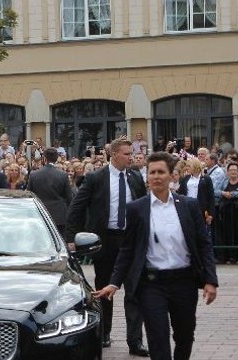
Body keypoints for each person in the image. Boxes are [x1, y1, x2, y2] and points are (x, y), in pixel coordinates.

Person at [93, 151, 218, 360]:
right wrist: (114, 282)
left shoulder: (188, 206)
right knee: (157, 337)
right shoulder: (136, 209)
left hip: (184, 281)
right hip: (151, 284)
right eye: (152, 173)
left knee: (185, 335)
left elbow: (204, 245)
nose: (156, 177)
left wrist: (210, 280)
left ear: (171, 176)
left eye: (161, 172)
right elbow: (127, 250)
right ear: (147, 177)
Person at [66, 138, 149, 355]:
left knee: (134, 289)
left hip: (130, 240)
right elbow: (77, 206)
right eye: (126, 154)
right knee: (105, 288)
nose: (130, 157)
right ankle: (104, 333)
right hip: (105, 240)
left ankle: (135, 340)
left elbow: (143, 207)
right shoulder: (96, 178)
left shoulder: (135, 177)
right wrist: (72, 237)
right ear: (113, 155)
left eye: (132, 153)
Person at [28, 147, 73, 239]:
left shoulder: (34, 174)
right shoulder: (63, 175)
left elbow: (29, 195)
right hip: (59, 216)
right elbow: (69, 198)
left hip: (39, 215)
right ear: (57, 158)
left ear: (44, 158)